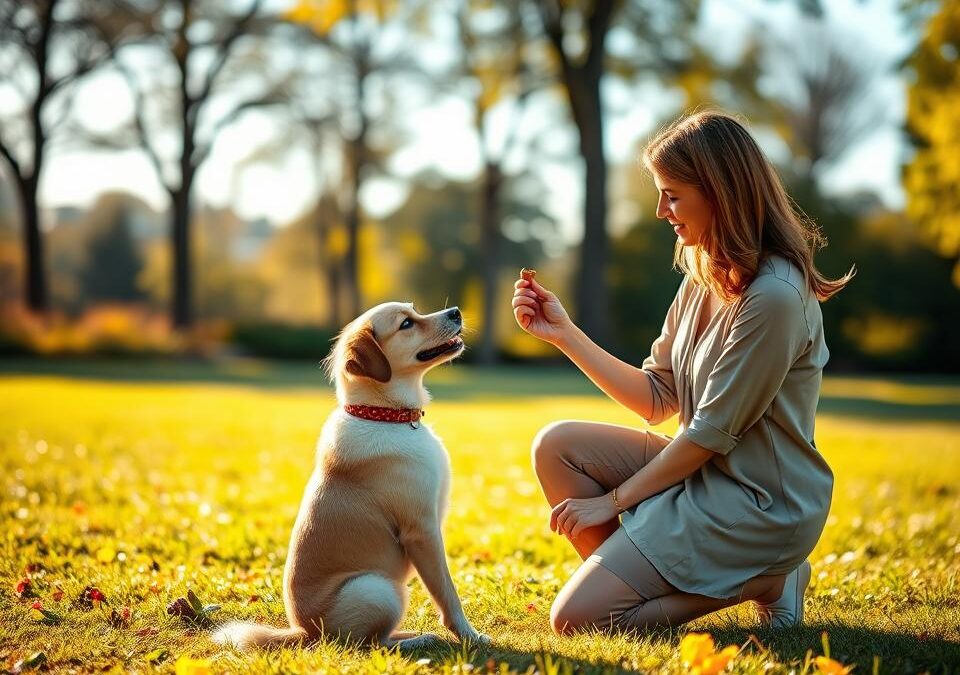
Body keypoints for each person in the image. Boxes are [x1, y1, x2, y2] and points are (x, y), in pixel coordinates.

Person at [511, 110, 854, 635]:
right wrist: (564, 334)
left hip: (759, 502)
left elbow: (706, 437)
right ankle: (636, 576)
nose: (659, 210)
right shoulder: (704, 269)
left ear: (719, 192)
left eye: (672, 194)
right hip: (702, 477)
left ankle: (768, 578)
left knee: (576, 621)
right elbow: (657, 398)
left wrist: (613, 501)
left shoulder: (775, 297)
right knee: (557, 446)